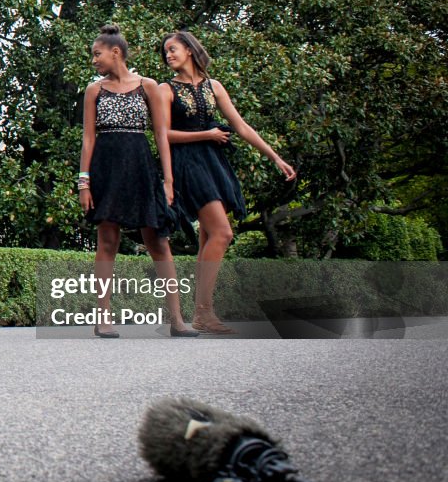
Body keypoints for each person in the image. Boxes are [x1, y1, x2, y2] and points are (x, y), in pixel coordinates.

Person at [158, 30, 296, 334]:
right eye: (165, 52)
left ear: (190, 51)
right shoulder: (165, 90)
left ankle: (202, 312)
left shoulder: (213, 87)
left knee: (209, 237)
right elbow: (163, 135)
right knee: (223, 232)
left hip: (213, 163)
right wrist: (206, 134)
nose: (168, 55)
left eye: (173, 49)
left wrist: (275, 157)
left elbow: (241, 127)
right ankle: (203, 312)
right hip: (188, 164)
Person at [79, 25, 198, 339]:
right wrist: (84, 183)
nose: (94, 60)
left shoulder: (149, 86)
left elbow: (161, 135)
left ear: (115, 52)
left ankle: (177, 319)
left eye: (97, 54)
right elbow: (88, 139)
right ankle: (103, 317)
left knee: (158, 241)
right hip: (106, 168)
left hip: (141, 168)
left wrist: (168, 181)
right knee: (107, 242)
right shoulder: (94, 90)